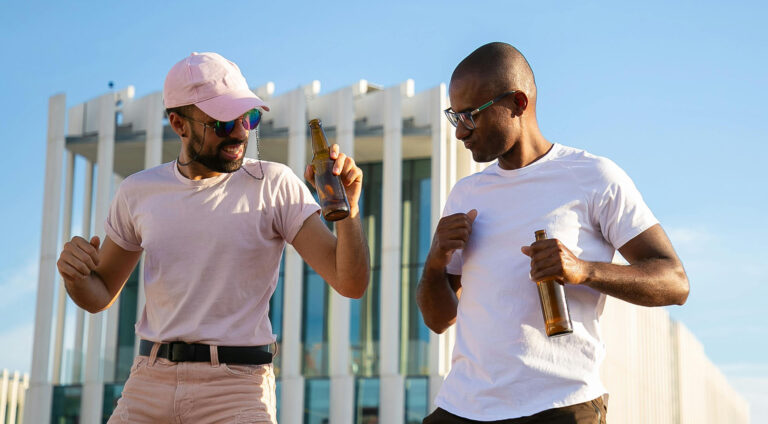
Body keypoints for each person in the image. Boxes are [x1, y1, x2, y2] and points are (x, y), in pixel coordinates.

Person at [56, 52, 370, 423]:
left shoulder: (275, 184)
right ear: (179, 124)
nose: (240, 132)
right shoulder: (137, 192)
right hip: (148, 384)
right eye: (223, 122)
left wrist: (348, 213)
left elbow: (350, 283)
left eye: (248, 118)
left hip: (237, 390)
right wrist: (74, 276)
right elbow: (100, 293)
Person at [417, 42, 689, 423]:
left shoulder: (593, 176)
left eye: (470, 115)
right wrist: (435, 262)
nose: (461, 131)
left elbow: (675, 282)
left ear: (517, 103)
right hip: (464, 407)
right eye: (455, 116)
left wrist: (584, 270)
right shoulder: (466, 193)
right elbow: (438, 319)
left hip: (560, 406)